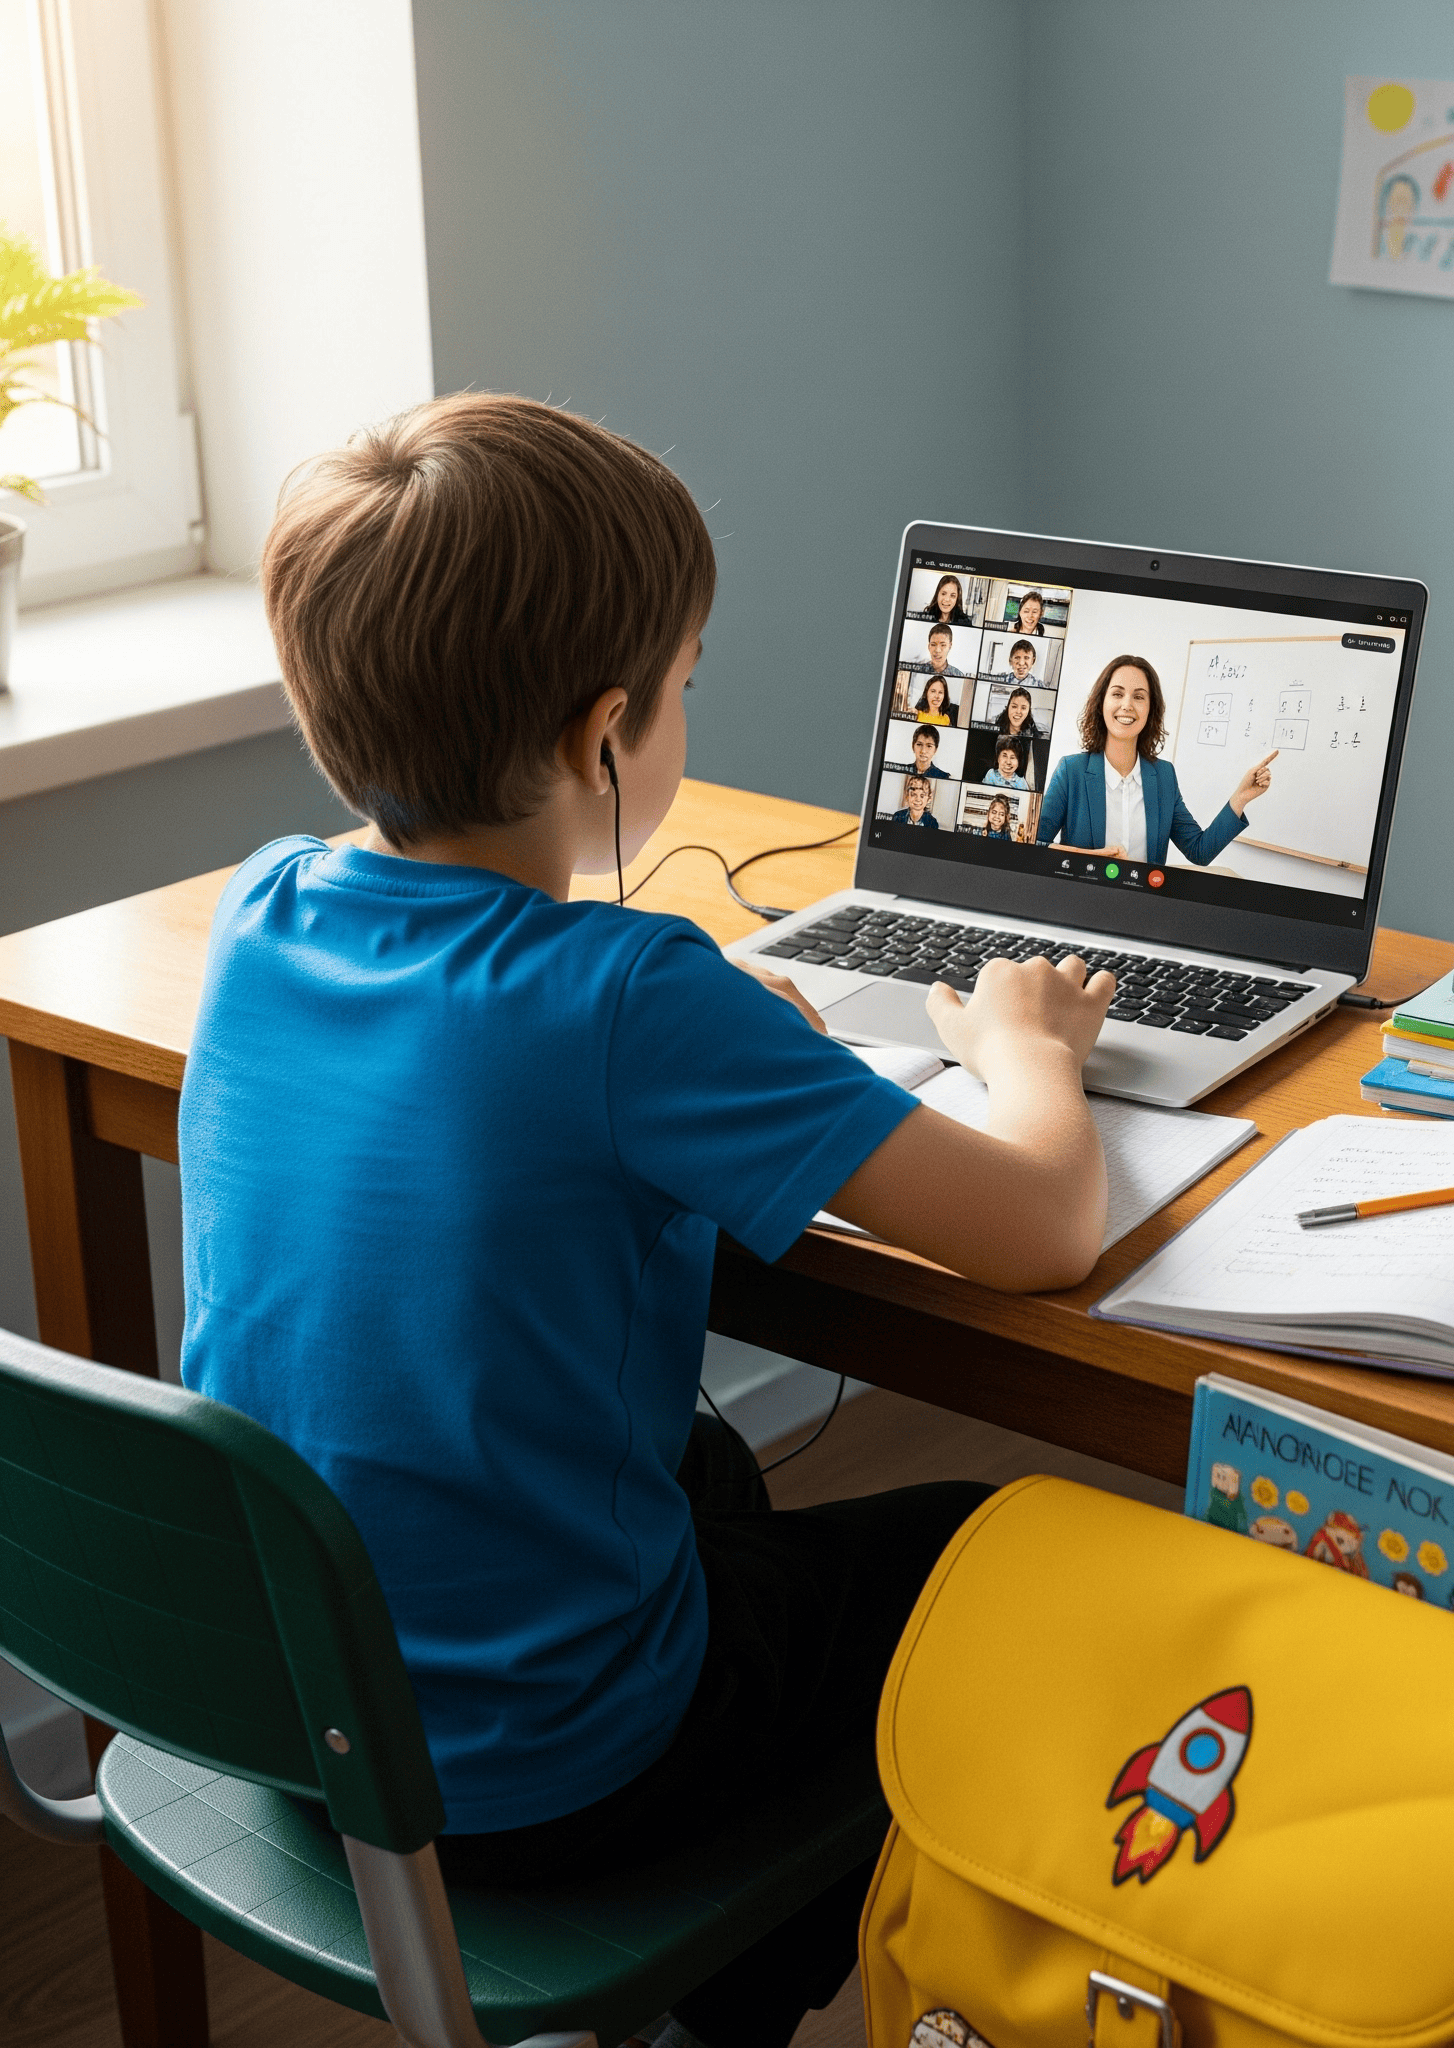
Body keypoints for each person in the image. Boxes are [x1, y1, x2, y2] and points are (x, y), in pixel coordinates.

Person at [181, 393, 1116, 2048]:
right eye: (688, 680)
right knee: (997, 1552)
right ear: (605, 734)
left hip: (298, 1710)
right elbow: (1043, 1225)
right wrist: (1026, 1047)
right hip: (546, 1768)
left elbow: (490, 1076)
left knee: (716, 1478)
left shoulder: (263, 911)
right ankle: (720, 2001)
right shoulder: (629, 996)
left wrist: (720, 1032)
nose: (689, 707)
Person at [1036, 654, 1276, 867]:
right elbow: (1034, 843)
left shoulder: (1163, 776)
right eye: (1117, 694)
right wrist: (1088, 858)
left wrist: (1240, 798)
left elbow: (1199, 851)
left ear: (1151, 709)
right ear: (1101, 703)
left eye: (1139, 697)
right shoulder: (1071, 771)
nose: (1127, 705)